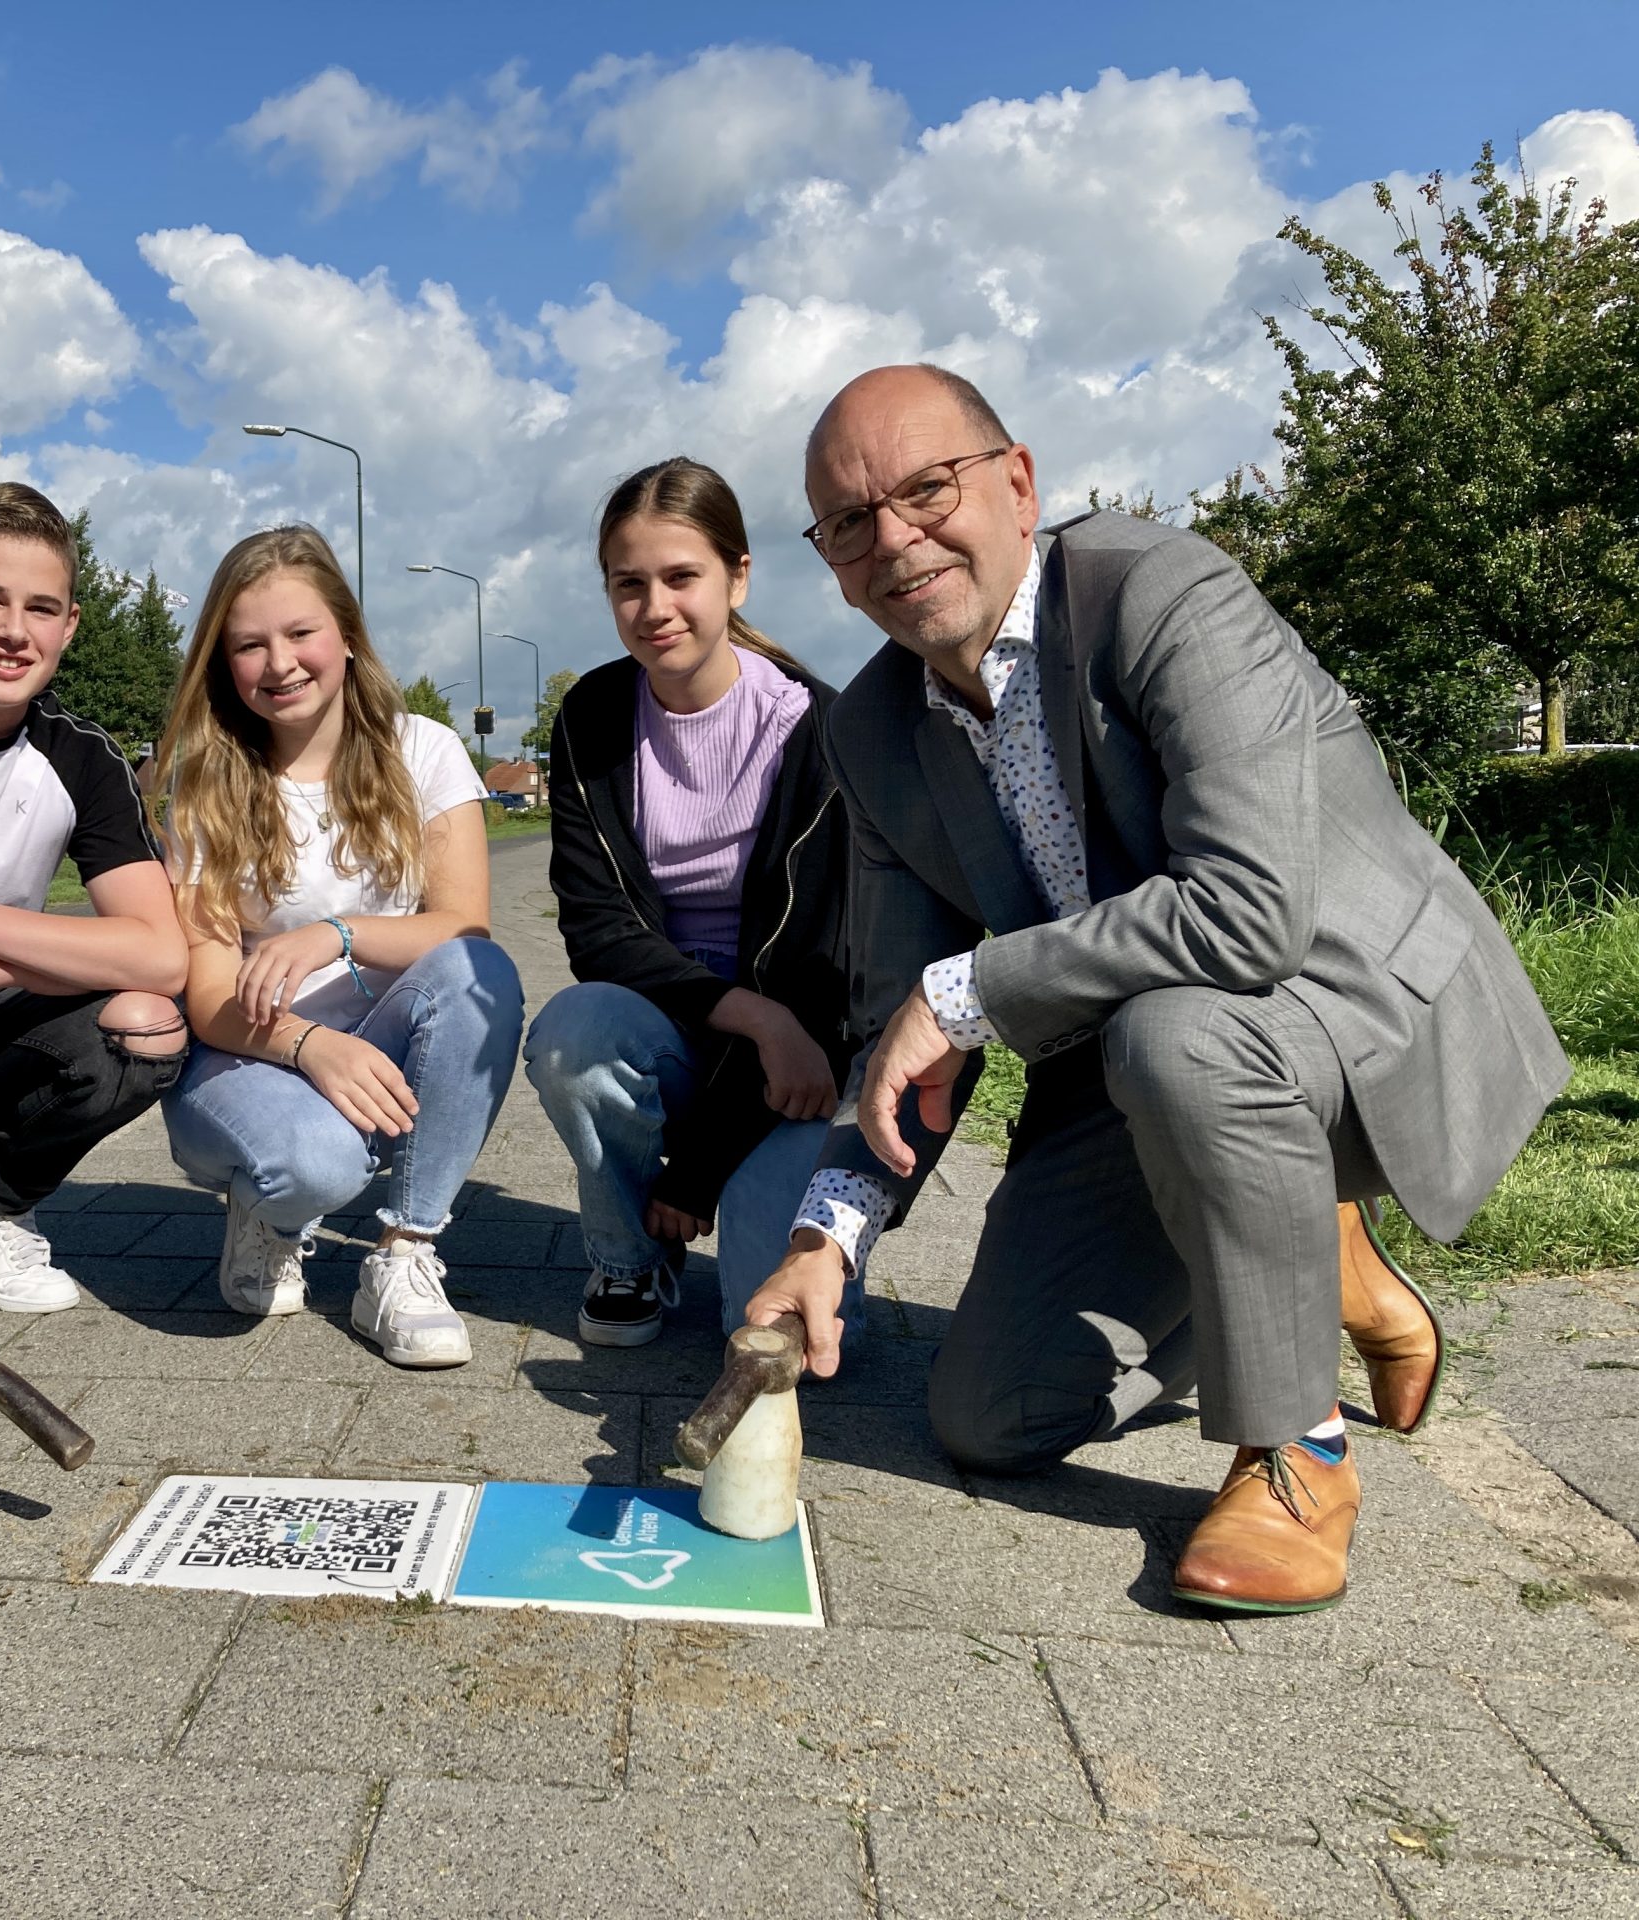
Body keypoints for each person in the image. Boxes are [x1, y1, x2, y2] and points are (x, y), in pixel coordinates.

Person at [751, 363, 1568, 1611]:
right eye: (850, 523)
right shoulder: (869, 733)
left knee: (1176, 1040)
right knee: (988, 1419)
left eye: (926, 490)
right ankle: (1294, 1248)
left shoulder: (1167, 596)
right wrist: (828, 1234)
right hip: (1142, 1075)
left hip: (1352, 1012)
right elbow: (895, 1029)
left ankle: (1298, 1448)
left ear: (1016, 483)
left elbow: (1246, 913)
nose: (895, 540)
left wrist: (968, 990)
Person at [155, 526, 525, 1367]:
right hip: (246, 1051)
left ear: (348, 638)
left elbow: (464, 926)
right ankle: (269, 1212)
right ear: (223, 661)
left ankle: (403, 1255)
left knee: (480, 976)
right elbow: (210, 998)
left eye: (300, 634)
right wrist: (308, 1045)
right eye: (248, 644)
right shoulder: (207, 783)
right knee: (315, 1167)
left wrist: (336, 936)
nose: (279, 662)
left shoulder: (422, 748)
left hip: (384, 1041)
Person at [522, 458, 856, 1348]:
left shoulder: (819, 729)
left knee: (768, 1326)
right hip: (685, 1016)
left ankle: (753, 1207)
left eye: (681, 577)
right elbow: (598, 933)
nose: (655, 607)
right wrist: (750, 1016)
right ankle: (630, 1259)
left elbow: (823, 971)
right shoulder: (591, 714)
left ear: (738, 574)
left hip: (802, 1036)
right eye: (628, 585)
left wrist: (698, 1172)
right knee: (572, 1035)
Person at [0, 482, 189, 1310]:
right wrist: (38, 951)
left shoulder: (84, 761)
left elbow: (159, 953)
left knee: (149, 1027)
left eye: (41, 608)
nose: (13, 631)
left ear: (69, 625)